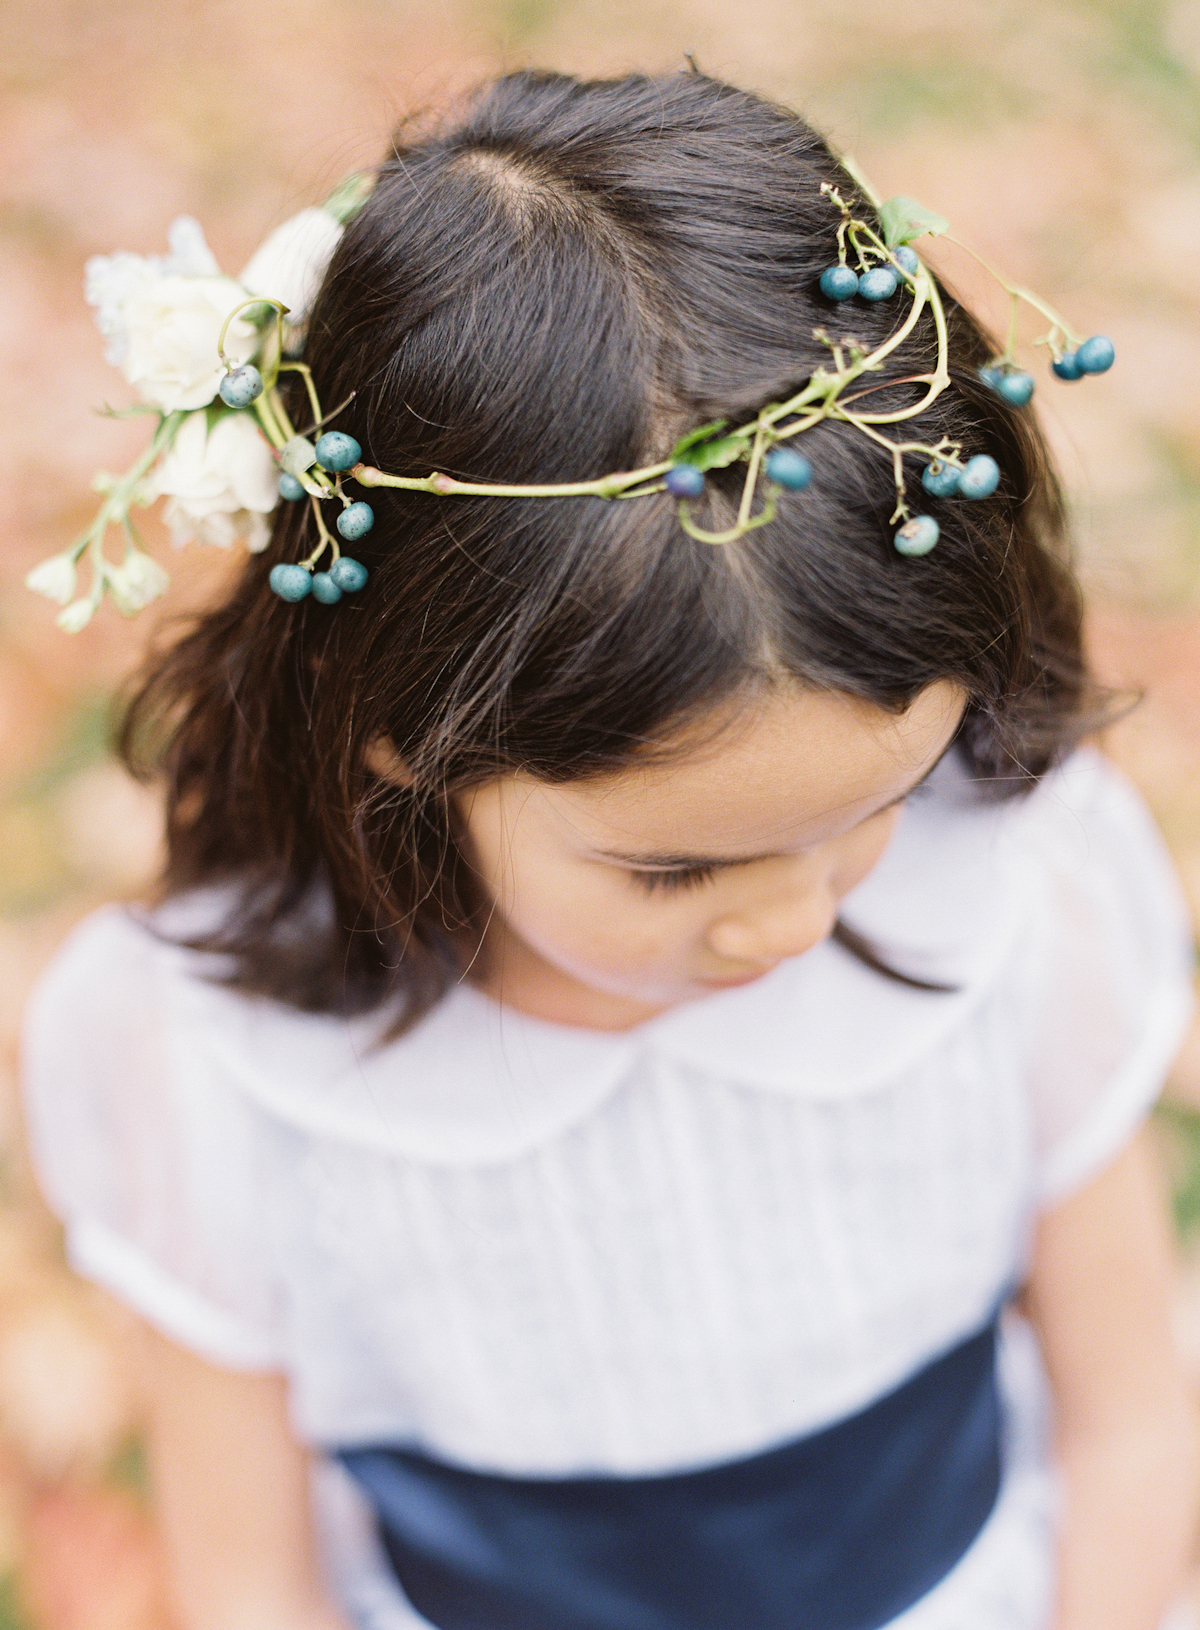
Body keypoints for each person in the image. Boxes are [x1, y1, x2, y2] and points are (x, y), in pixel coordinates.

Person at [21, 66, 1200, 1630]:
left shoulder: (1014, 893)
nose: (787, 921)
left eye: (877, 810)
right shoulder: (225, 1069)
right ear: (401, 734)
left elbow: (1132, 1416)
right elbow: (252, 1579)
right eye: (675, 870)